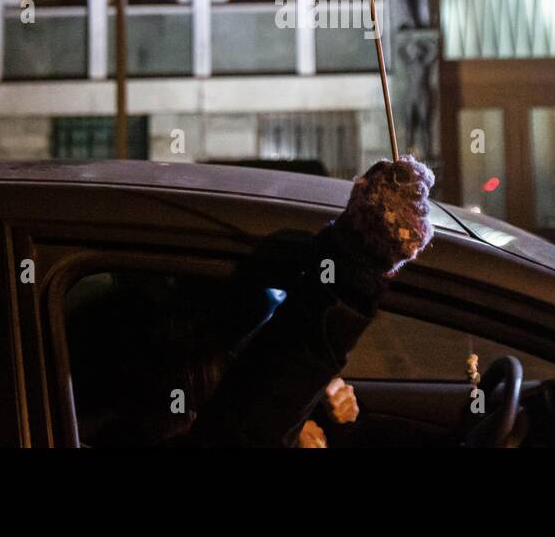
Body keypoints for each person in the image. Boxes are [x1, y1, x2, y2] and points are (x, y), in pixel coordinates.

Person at [185, 154, 434, 447]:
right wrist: (361, 257)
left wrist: (323, 415)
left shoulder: (236, 375)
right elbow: (261, 405)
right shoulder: (189, 391)